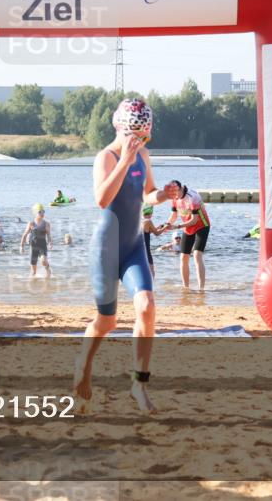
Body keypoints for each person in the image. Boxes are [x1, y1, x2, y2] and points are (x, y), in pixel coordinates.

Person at [76, 98, 178, 414]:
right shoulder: (104, 157)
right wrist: (123, 161)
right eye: (134, 135)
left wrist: (164, 194)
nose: (138, 142)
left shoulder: (143, 155)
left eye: (144, 137)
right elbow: (102, 199)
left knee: (146, 306)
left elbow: (147, 193)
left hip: (134, 244)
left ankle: (139, 383)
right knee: (106, 321)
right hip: (107, 248)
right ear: (120, 128)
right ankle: (83, 364)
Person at [164, 181, 211, 290]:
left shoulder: (193, 197)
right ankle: (186, 288)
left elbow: (194, 220)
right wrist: (167, 224)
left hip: (201, 225)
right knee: (183, 257)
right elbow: (173, 215)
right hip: (187, 227)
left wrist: (177, 226)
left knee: (196, 255)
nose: (175, 194)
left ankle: (201, 288)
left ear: (182, 188)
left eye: (177, 192)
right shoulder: (174, 198)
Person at [20, 203, 52, 278]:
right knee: (33, 271)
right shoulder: (31, 223)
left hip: (42, 245)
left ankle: (48, 272)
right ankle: (32, 282)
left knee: (43, 261)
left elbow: (48, 235)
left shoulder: (46, 224)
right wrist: (21, 246)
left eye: (43, 211)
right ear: (35, 213)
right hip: (33, 246)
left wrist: (50, 242)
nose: (42, 213)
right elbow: (24, 235)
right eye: (40, 212)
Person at [142, 205, 165, 278]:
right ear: (150, 212)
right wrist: (165, 227)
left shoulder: (140, 220)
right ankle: (151, 287)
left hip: (138, 248)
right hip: (146, 248)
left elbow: (146, 232)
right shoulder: (148, 221)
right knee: (151, 270)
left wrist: (157, 228)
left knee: (142, 268)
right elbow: (157, 233)